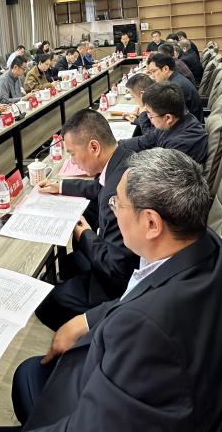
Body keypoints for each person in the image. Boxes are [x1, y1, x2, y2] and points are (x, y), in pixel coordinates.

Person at [0, 148, 222, 432]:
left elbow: (92, 425)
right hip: (141, 382)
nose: (112, 210)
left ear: (151, 223)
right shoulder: (208, 243)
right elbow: (142, 296)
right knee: (29, 372)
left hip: (110, 402)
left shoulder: (145, 328)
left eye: (116, 204)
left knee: (26, 376)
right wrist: (86, 320)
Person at [33, 111, 136, 330]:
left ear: (94, 147)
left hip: (120, 287)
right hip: (120, 259)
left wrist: (85, 234)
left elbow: (116, 270)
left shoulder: (116, 196)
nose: (73, 161)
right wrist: (60, 186)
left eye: (72, 154)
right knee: (70, 262)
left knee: (44, 303)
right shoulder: (122, 158)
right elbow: (97, 187)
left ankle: (84, 340)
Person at [119, 83, 208, 163]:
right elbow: (147, 139)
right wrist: (117, 145)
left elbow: (156, 171)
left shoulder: (179, 146)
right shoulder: (175, 120)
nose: (148, 117)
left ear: (168, 118)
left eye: (150, 114)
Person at [145, 52, 203, 122]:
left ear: (165, 69)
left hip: (188, 125)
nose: (152, 76)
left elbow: (171, 119)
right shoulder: (175, 78)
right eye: (150, 72)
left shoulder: (176, 87)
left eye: (153, 71)